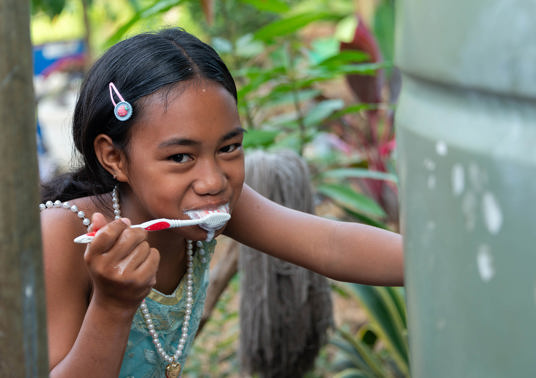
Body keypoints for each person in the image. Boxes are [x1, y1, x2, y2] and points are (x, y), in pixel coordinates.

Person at [39, 27, 403, 378]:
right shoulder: (63, 235)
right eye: (181, 157)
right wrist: (112, 305)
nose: (214, 181)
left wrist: (440, 263)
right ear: (114, 157)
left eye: (229, 148)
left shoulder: (215, 207)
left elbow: (331, 245)